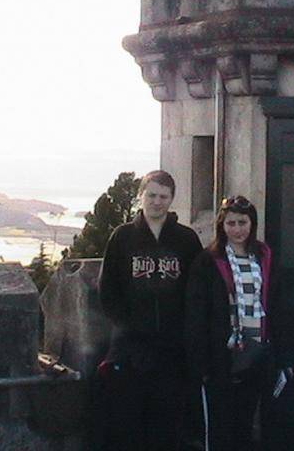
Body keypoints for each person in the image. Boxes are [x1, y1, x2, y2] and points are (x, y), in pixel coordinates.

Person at [98, 170, 203, 451]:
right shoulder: (122, 237)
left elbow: (196, 291)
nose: (157, 202)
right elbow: (108, 290)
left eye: (163, 197)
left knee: (167, 424)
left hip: (172, 350)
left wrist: (185, 333)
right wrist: (128, 328)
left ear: (172, 199)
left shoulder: (186, 240)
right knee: (128, 423)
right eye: (152, 195)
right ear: (141, 195)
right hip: (130, 349)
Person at [185, 195, 285, 451]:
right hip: (222, 356)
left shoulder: (264, 256)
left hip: (258, 352)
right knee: (221, 426)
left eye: (243, 223)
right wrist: (201, 361)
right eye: (231, 223)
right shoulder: (208, 261)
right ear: (222, 225)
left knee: (248, 424)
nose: (237, 229)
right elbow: (197, 313)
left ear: (252, 224)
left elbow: (275, 302)